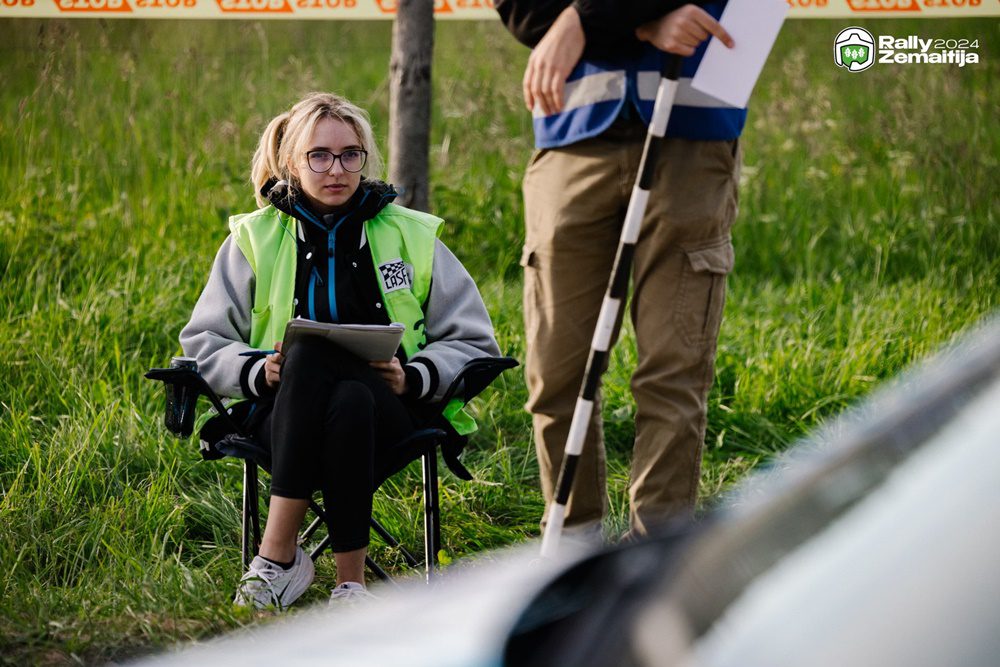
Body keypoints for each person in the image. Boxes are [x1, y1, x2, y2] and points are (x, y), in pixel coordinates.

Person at [180, 92, 500, 609]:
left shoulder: (411, 235)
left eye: (351, 154)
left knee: (336, 375)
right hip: (278, 413)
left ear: (365, 160)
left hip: (392, 412)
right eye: (320, 156)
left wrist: (413, 376)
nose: (337, 169)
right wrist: (260, 370)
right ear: (292, 162)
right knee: (329, 380)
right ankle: (351, 587)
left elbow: (475, 340)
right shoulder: (254, 238)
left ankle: (277, 557)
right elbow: (202, 340)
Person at [495, 1, 745, 541]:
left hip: (692, 127)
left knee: (672, 372)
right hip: (574, 135)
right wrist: (634, 21)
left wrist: (585, 20)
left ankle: (655, 556)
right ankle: (575, 549)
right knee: (556, 374)